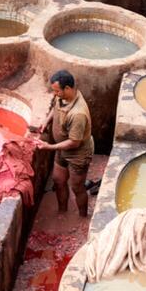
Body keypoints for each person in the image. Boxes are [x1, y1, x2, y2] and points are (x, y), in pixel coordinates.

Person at [32, 70, 94, 217]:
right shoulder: (63, 97)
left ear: (67, 88)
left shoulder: (78, 113)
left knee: (77, 187)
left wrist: (49, 147)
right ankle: (62, 211)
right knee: (58, 180)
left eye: (57, 91)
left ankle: (82, 216)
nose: (55, 94)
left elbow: (74, 143)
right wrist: (45, 122)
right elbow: (56, 108)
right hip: (62, 148)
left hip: (77, 154)